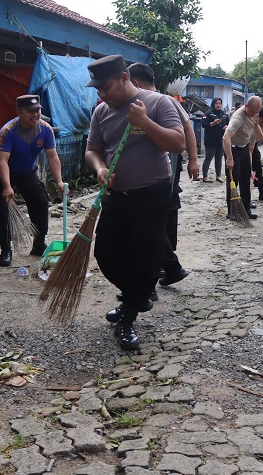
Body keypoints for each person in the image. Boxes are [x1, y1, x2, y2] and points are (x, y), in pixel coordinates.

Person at [83, 55, 184, 351]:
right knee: (106, 252)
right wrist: (100, 168)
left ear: (125, 77)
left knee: (145, 254)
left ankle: (127, 316)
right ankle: (137, 296)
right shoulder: (101, 111)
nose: (102, 94)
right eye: (97, 89)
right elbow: (93, 150)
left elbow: (177, 143)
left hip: (152, 194)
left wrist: (144, 122)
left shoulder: (157, 103)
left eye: (106, 87)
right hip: (117, 196)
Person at [127, 62, 197, 288]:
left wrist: (194, 160)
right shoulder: (167, 101)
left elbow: (186, 131)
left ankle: (156, 275)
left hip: (159, 174)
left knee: (150, 222)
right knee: (155, 220)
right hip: (165, 174)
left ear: (135, 82)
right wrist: (193, 160)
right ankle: (170, 268)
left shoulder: (159, 102)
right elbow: (189, 129)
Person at [0, 95, 64, 267]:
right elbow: (2, 162)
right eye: (31, 111)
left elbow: (52, 157)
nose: (36, 114)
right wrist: (7, 187)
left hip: (27, 172)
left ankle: (39, 242)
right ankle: (5, 248)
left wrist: (59, 181)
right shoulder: (8, 131)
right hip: (6, 171)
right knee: (2, 206)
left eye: (38, 110)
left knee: (40, 200)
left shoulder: (45, 129)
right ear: (19, 112)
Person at [222, 96, 263, 221]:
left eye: (256, 112)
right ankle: (231, 211)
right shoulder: (238, 118)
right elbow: (225, 138)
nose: (254, 114)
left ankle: (246, 209)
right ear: (246, 106)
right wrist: (229, 158)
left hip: (244, 147)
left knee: (246, 178)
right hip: (232, 148)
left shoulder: (254, 114)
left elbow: (255, 126)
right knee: (233, 180)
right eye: (252, 112)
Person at [200, 97, 227, 182]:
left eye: (219, 103)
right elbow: (203, 124)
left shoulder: (224, 114)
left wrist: (226, 127)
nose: (218, 105)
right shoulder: (208, 113)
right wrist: (212, 124)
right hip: (210, 141)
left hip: (220, 140)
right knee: (208, 158)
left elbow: (229, 124)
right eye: (216, 103)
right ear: (213, 104)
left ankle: (218, 176)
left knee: (219, 159)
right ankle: (205, 176)